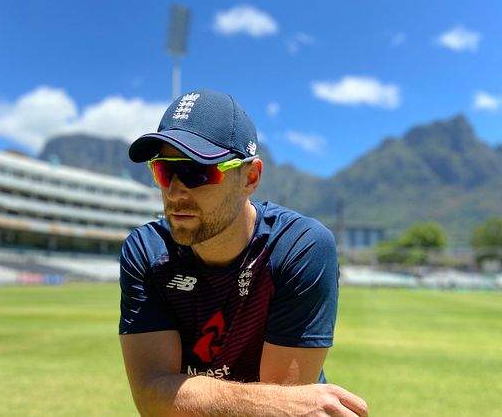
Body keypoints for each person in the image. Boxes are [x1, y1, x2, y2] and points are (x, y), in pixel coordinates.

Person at [119, 89, 368, 416]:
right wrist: (265, 403)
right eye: (164, 170)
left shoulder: (299, 246)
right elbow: (152, 398)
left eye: (198, 171)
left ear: (250, 177)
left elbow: (285, 412)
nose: (175, 191)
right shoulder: (147, 251)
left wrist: (184, 394)